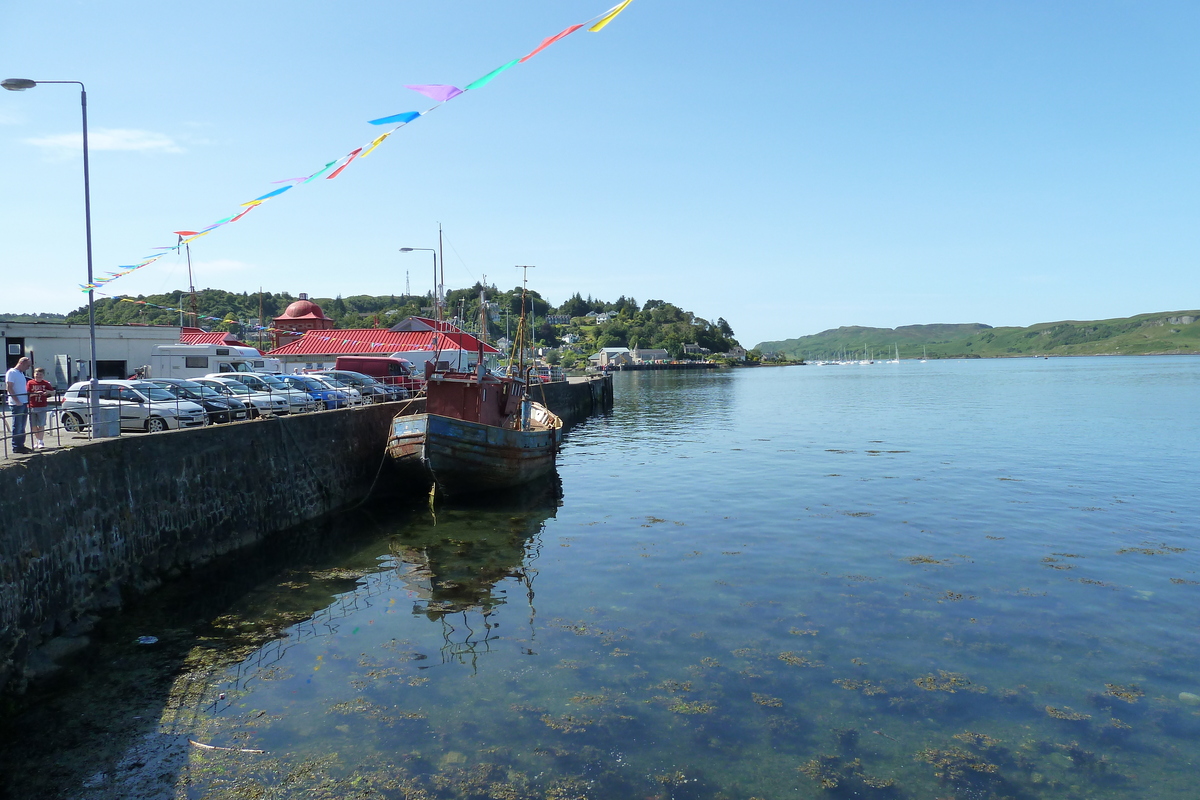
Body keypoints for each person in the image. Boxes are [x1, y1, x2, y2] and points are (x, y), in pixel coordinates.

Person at [5, 356, 32, 454]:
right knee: (17, 425)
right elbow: (9, 387)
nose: (28, 367)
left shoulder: (20, 373)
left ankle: (21, 445)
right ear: (22, 363)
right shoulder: (12, 372)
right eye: (27, 365)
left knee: (22, 425)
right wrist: (16, 400)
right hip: (17, 403)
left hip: (23, 402)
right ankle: (16, 446)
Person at [26, 366, 54, 450]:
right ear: (34, 374)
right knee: (33, 425)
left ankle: (40, 441)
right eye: (37, 374)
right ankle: (38, 440)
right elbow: (27, 394)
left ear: (43, 375)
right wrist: (36, 393)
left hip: (42, 406)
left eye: (40, 374)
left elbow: (53, 392)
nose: (38, 376)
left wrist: (47, 392)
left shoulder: (46, 383)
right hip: (32, 405)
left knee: (41, 424)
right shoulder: (30, 383)